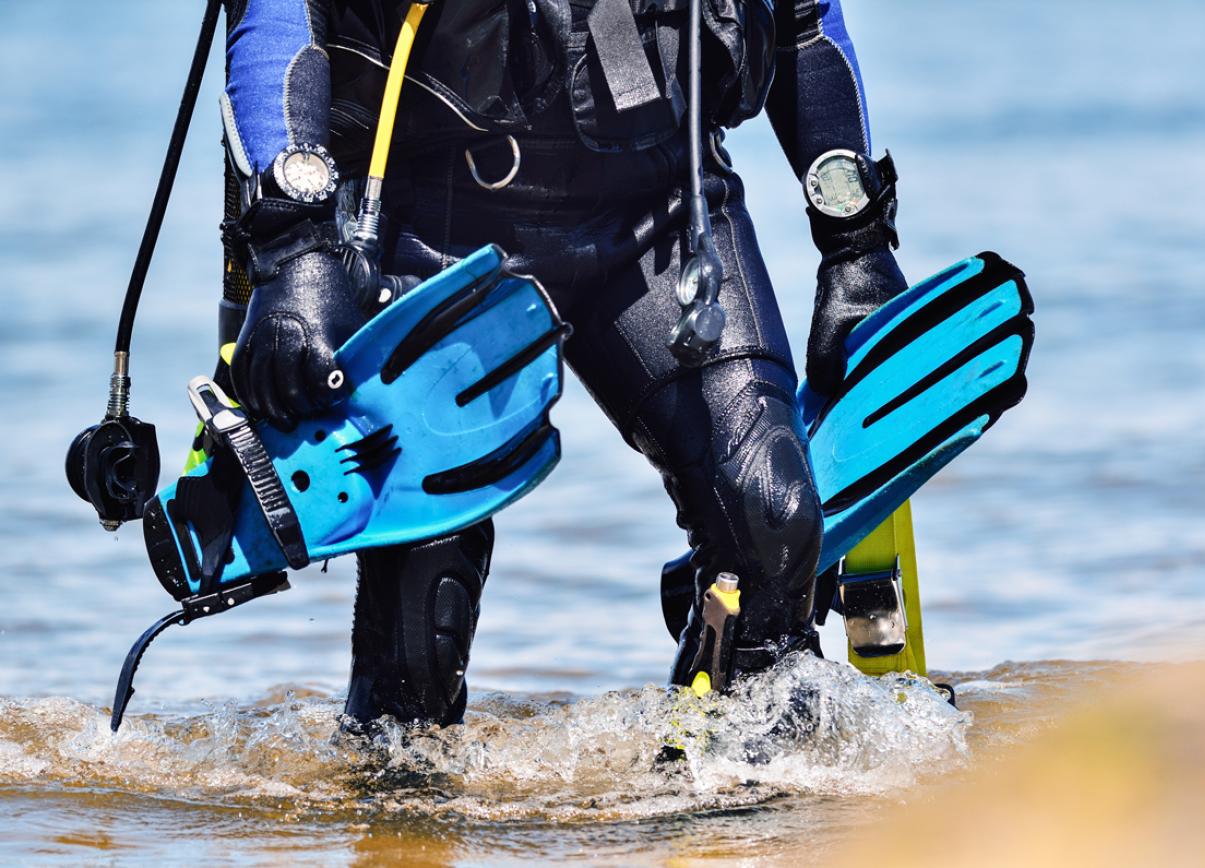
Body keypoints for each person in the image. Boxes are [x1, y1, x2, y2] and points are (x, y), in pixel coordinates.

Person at [218, 0, 907, 726]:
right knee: (420, 627)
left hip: (667, 210)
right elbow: (278, 18)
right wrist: (294, 250)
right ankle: (394, 830)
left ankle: (738, 811)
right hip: (436, 224)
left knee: (769, 516)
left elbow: (805, 18)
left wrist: (855, 241)